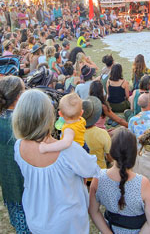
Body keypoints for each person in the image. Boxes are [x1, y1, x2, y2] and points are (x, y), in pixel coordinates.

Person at [13, 89, 101, 234]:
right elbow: (92, 169)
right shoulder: (68, 151)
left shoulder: (18, 146)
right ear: (50, 117)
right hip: (68, 223)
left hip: (37, 217)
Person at [89, 127, 150, 234]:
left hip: (110, 229)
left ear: (112, 153)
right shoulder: (142, 183)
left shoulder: (98, 178)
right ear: (134, 154)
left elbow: (93, 211)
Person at [0, 76, 29, 233]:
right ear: (18, 96)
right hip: (28, 184)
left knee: (19, 222)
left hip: (7, 180)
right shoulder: (24, 123)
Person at [84, 96, 112, 169]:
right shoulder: (102, 133)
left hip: (81, 175)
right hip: (99, 173)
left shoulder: (72, 134)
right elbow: (110, 158)